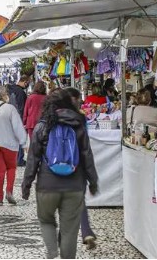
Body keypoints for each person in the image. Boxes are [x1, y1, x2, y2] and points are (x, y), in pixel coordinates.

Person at [22, 89, 99, 259]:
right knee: (69, 229)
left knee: (46, 221)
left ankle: (52, 252)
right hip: (74, 187)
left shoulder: (42, 126)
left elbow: (33, 159)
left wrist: (26, 184)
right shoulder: (79, 124)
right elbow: (87, 155)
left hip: (47, 186)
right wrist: (93, 181)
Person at [65, 87, 97, 250]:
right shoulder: (81, 118)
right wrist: (92, 177)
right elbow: (86, 147)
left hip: (58, 165)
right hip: (77, 163)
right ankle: (86, 231)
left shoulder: (52, 116)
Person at [7, 74, 30, 166]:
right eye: (27, 83)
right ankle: (19, 160)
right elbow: (21, 107)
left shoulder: (11, 89)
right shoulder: (20, 92)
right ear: (25, 82)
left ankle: (14, 158)